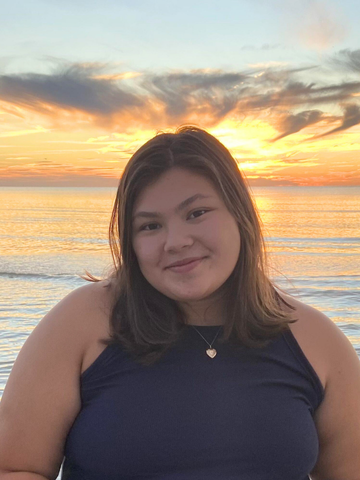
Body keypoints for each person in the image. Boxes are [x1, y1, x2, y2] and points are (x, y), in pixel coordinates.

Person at [0, 125, 359, 480]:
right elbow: (15, 467)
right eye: (150, 226)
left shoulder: (316, 341)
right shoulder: (82, 323)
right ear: (131, 242)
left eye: (196, 213)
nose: (175, 241)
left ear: (240, 214)